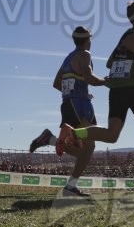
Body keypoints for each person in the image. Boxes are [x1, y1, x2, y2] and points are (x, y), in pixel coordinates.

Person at [52, 3, 134, 194]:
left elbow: (109, 62)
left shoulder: (124, 35)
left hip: (116, 90)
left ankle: (73, 133)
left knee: (112, 135)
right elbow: (131, 44)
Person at [29, 27, 106, 197]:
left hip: (68, 103)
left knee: (84, 151)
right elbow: (89, 77)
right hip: (80, 106)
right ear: (88, 40)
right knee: (89, 146)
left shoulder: (68, 59)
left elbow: (57, 83)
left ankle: (50, 140)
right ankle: (70, 187)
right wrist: (106, 81)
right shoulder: (85, 54)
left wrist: (76, 91)